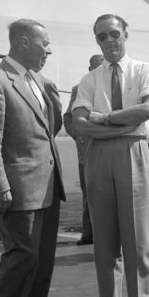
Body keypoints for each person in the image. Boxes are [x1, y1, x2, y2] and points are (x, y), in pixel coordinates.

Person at [72, 14, 149, 297]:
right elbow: (80, 124)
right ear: (96, 41)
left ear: (126, 34)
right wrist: (119, 125)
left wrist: (108, 118)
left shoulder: (144, 70)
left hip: (132, 152)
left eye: (115, 34)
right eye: (102, 37)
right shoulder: (90, 79)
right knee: (105, 241)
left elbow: (148, 110)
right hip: (99, 155)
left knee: (139, 239)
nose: (110, 41)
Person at [0, 19, 65, 297]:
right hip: (16, 189)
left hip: (46, 183)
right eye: (44, 43)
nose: (49, 49)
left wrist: (50, 91)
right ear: (23, 41)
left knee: (42, 259)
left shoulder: (39, 81)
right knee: (20, 258)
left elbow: (51, 127)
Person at [63, 54, 104, 245]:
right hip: (86, 150)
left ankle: (108, 235)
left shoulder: (115, 88)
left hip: (110, 147)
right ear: (89, 70)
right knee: (89, 193)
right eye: (95, 68)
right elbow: (68, 117)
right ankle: (88, 234)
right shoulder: (78, 89)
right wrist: (77, 135)